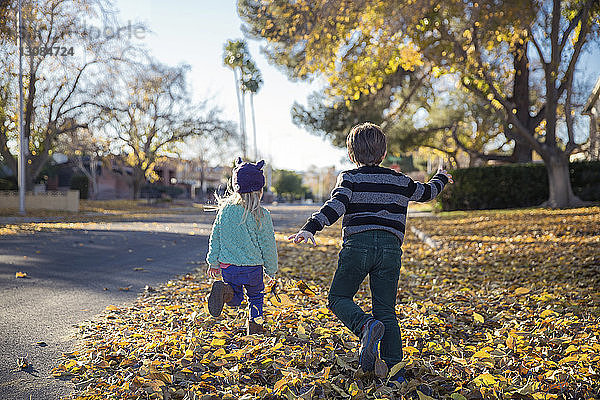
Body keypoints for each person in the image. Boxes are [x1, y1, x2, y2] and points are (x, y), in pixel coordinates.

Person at [288, 122, 453, 381]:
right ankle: (395, 373)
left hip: (358, 247)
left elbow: (337, 204)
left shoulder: (350, 178)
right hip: (390, 251)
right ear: (384, 154)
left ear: (351, 155)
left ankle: (365, 325)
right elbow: (426, 192)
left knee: (338, 298)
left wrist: (312, 227)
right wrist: (441, 177)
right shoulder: (400, 180)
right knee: (386, 311)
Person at [206, 158, 278, 335]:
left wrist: (213, 262)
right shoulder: (262, 215)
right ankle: (255, 327)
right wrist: (271, 269)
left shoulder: (225, 210)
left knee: (235, 297)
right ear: (260, 190)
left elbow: (216, 236)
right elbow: (268, 244)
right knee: (255, 297)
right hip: (252, 268)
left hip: (229, 267)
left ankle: (226, 292)